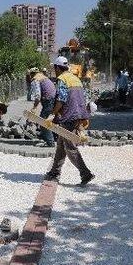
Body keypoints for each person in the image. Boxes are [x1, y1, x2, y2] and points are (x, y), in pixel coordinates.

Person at [44, 56, 95, 185]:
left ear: (57, 68)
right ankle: (54, 172)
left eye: (54, 68)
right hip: (79, 114)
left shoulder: (62, 79)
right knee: (61, 145)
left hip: (69, 116)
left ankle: (85, 173)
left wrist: (53, 113)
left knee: (70, 147)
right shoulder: (75, 78)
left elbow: (61, 99)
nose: (54, 70)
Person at [29, 67, 57, 147]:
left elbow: (37, 96)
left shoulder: (35, 80)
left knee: (43, 121)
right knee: (50, 120)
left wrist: (34, 108)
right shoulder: (44, 77)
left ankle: (50, 142)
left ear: (31, 74)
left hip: (48, 100)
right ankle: (50, 138)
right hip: (54, 99)